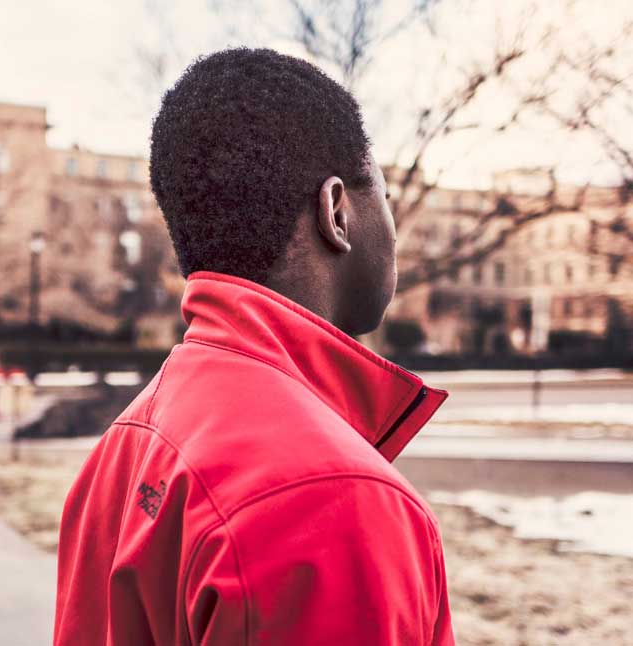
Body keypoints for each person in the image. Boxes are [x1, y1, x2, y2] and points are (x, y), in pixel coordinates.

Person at [54, 48, 454, 645]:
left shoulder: (122, 448)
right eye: (387, 198)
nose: (394, 231)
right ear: (337, 211)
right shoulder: (333, 498)